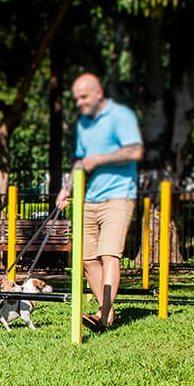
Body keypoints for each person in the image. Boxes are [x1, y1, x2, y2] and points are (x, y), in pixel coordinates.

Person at [54, 73, 144, 331]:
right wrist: (67, 188)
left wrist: (100, 159)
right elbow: (81, 161)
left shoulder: (121, 116)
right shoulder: (84, 124)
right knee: (87, 258)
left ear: (98, 94)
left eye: (84, 98)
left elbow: (134, 151)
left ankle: (102, 314)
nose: (80, 103)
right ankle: (108, 311)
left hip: (118, 196)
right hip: (89, 198)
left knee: (109, 255)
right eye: (77, 99)